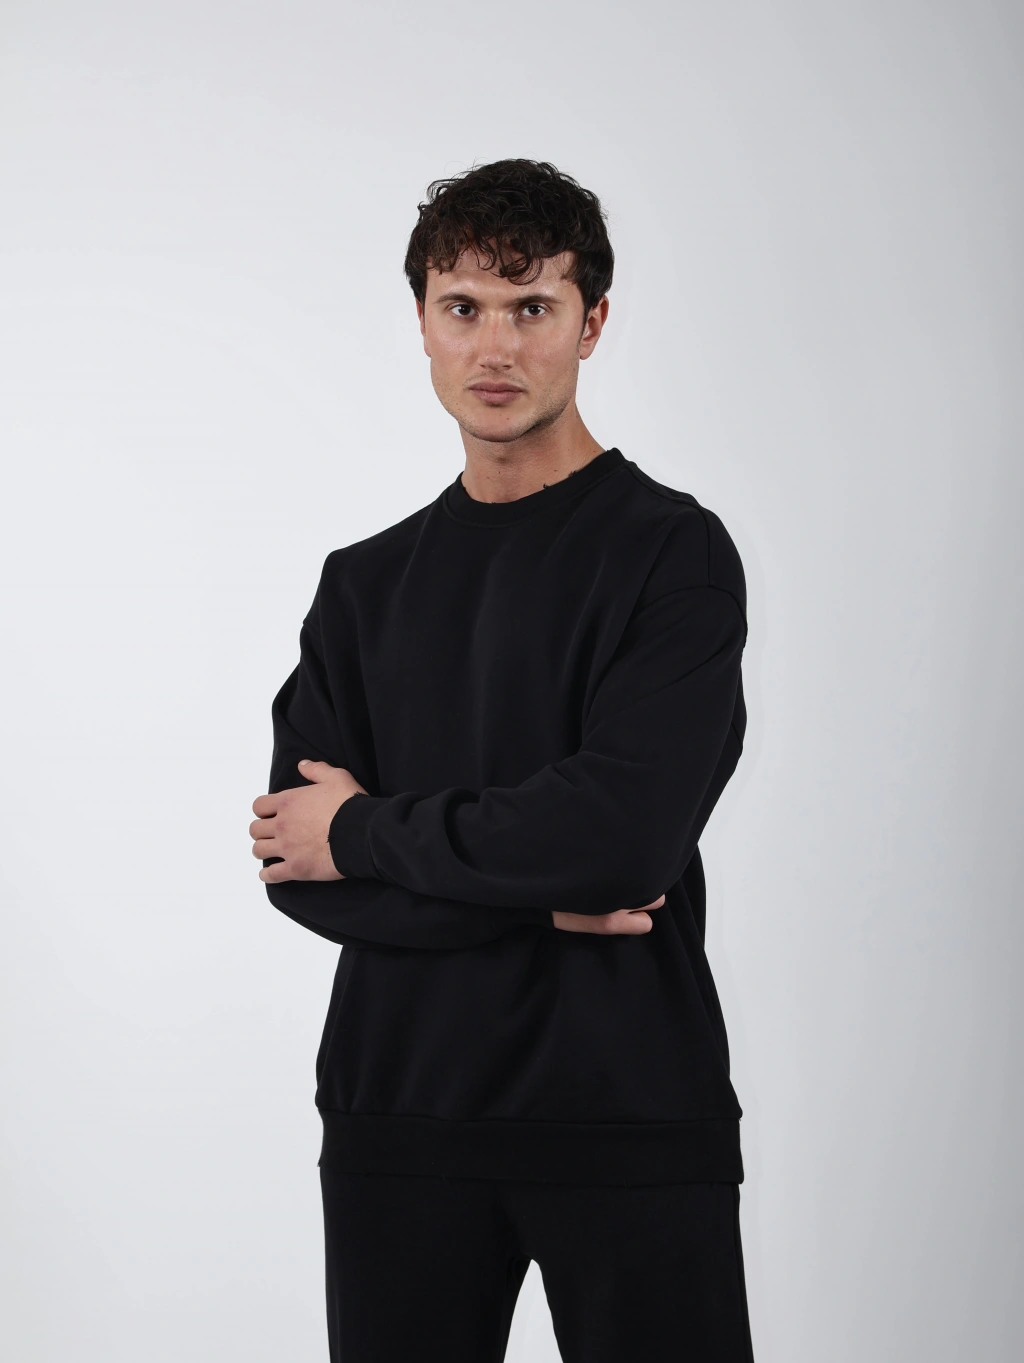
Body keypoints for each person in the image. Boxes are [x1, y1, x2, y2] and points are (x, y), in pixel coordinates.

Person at [249, 158, 755, 1363]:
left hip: (625, 1110)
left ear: (592, 321)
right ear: (421, 321)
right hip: (398, 1110)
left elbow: (622, 837)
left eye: (532, 305)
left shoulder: (671, 554)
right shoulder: (362, 585)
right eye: (462, 305)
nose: (495, 345)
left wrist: (365, 831)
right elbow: (293, 864)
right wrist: (542, 895)